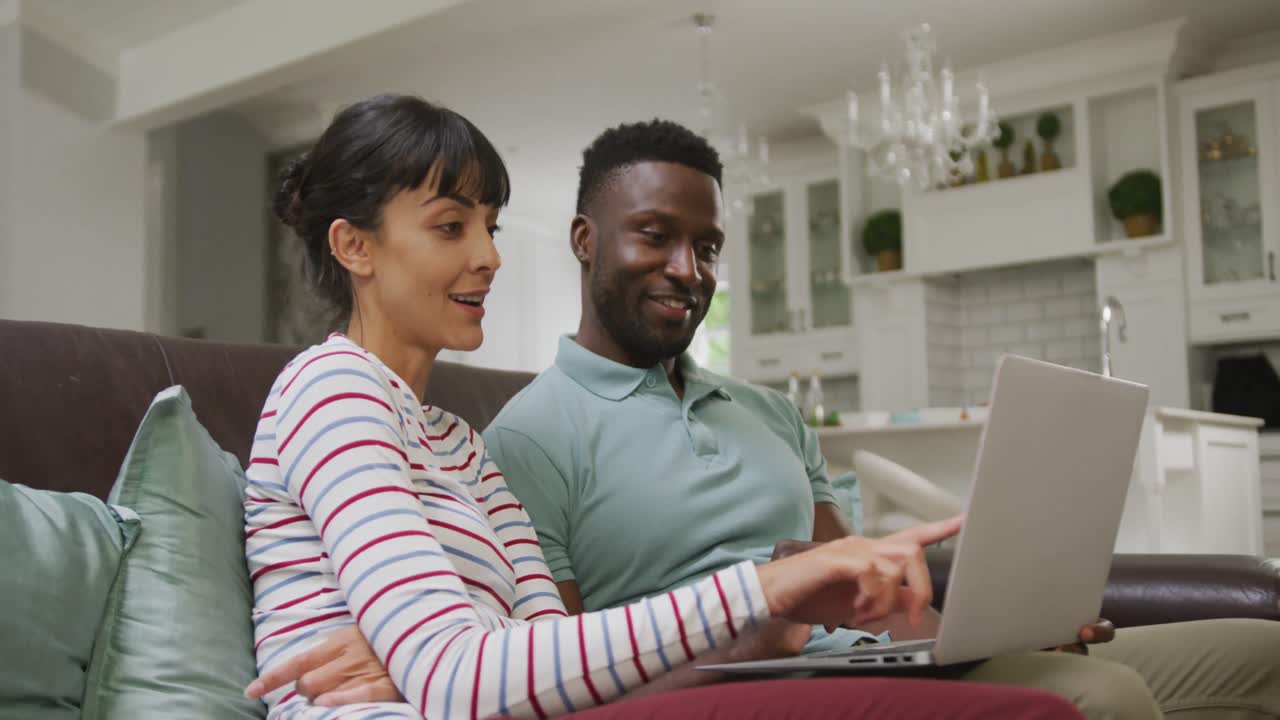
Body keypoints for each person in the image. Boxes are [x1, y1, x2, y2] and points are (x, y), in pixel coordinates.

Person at [241, 94, 1086, 720]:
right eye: (452, 226)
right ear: (353, 245)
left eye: (492, 225)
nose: (492, 256)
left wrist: (431, 658)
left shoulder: (457, 446)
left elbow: (534, 659)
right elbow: (464, 676)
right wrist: (768, 587)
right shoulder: (332, 390)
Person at [481, 119, 1280, 719]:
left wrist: (993, 631)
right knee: (1100, 699)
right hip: (760, 689)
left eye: (709, 246)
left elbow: (869, 592)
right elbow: (560, 676)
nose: (689, 271)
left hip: (896, 661)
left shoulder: (769, 412)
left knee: (1263, 653)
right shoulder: (528, 439)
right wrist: (754, 633)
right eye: (655, 236)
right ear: (585, 240)